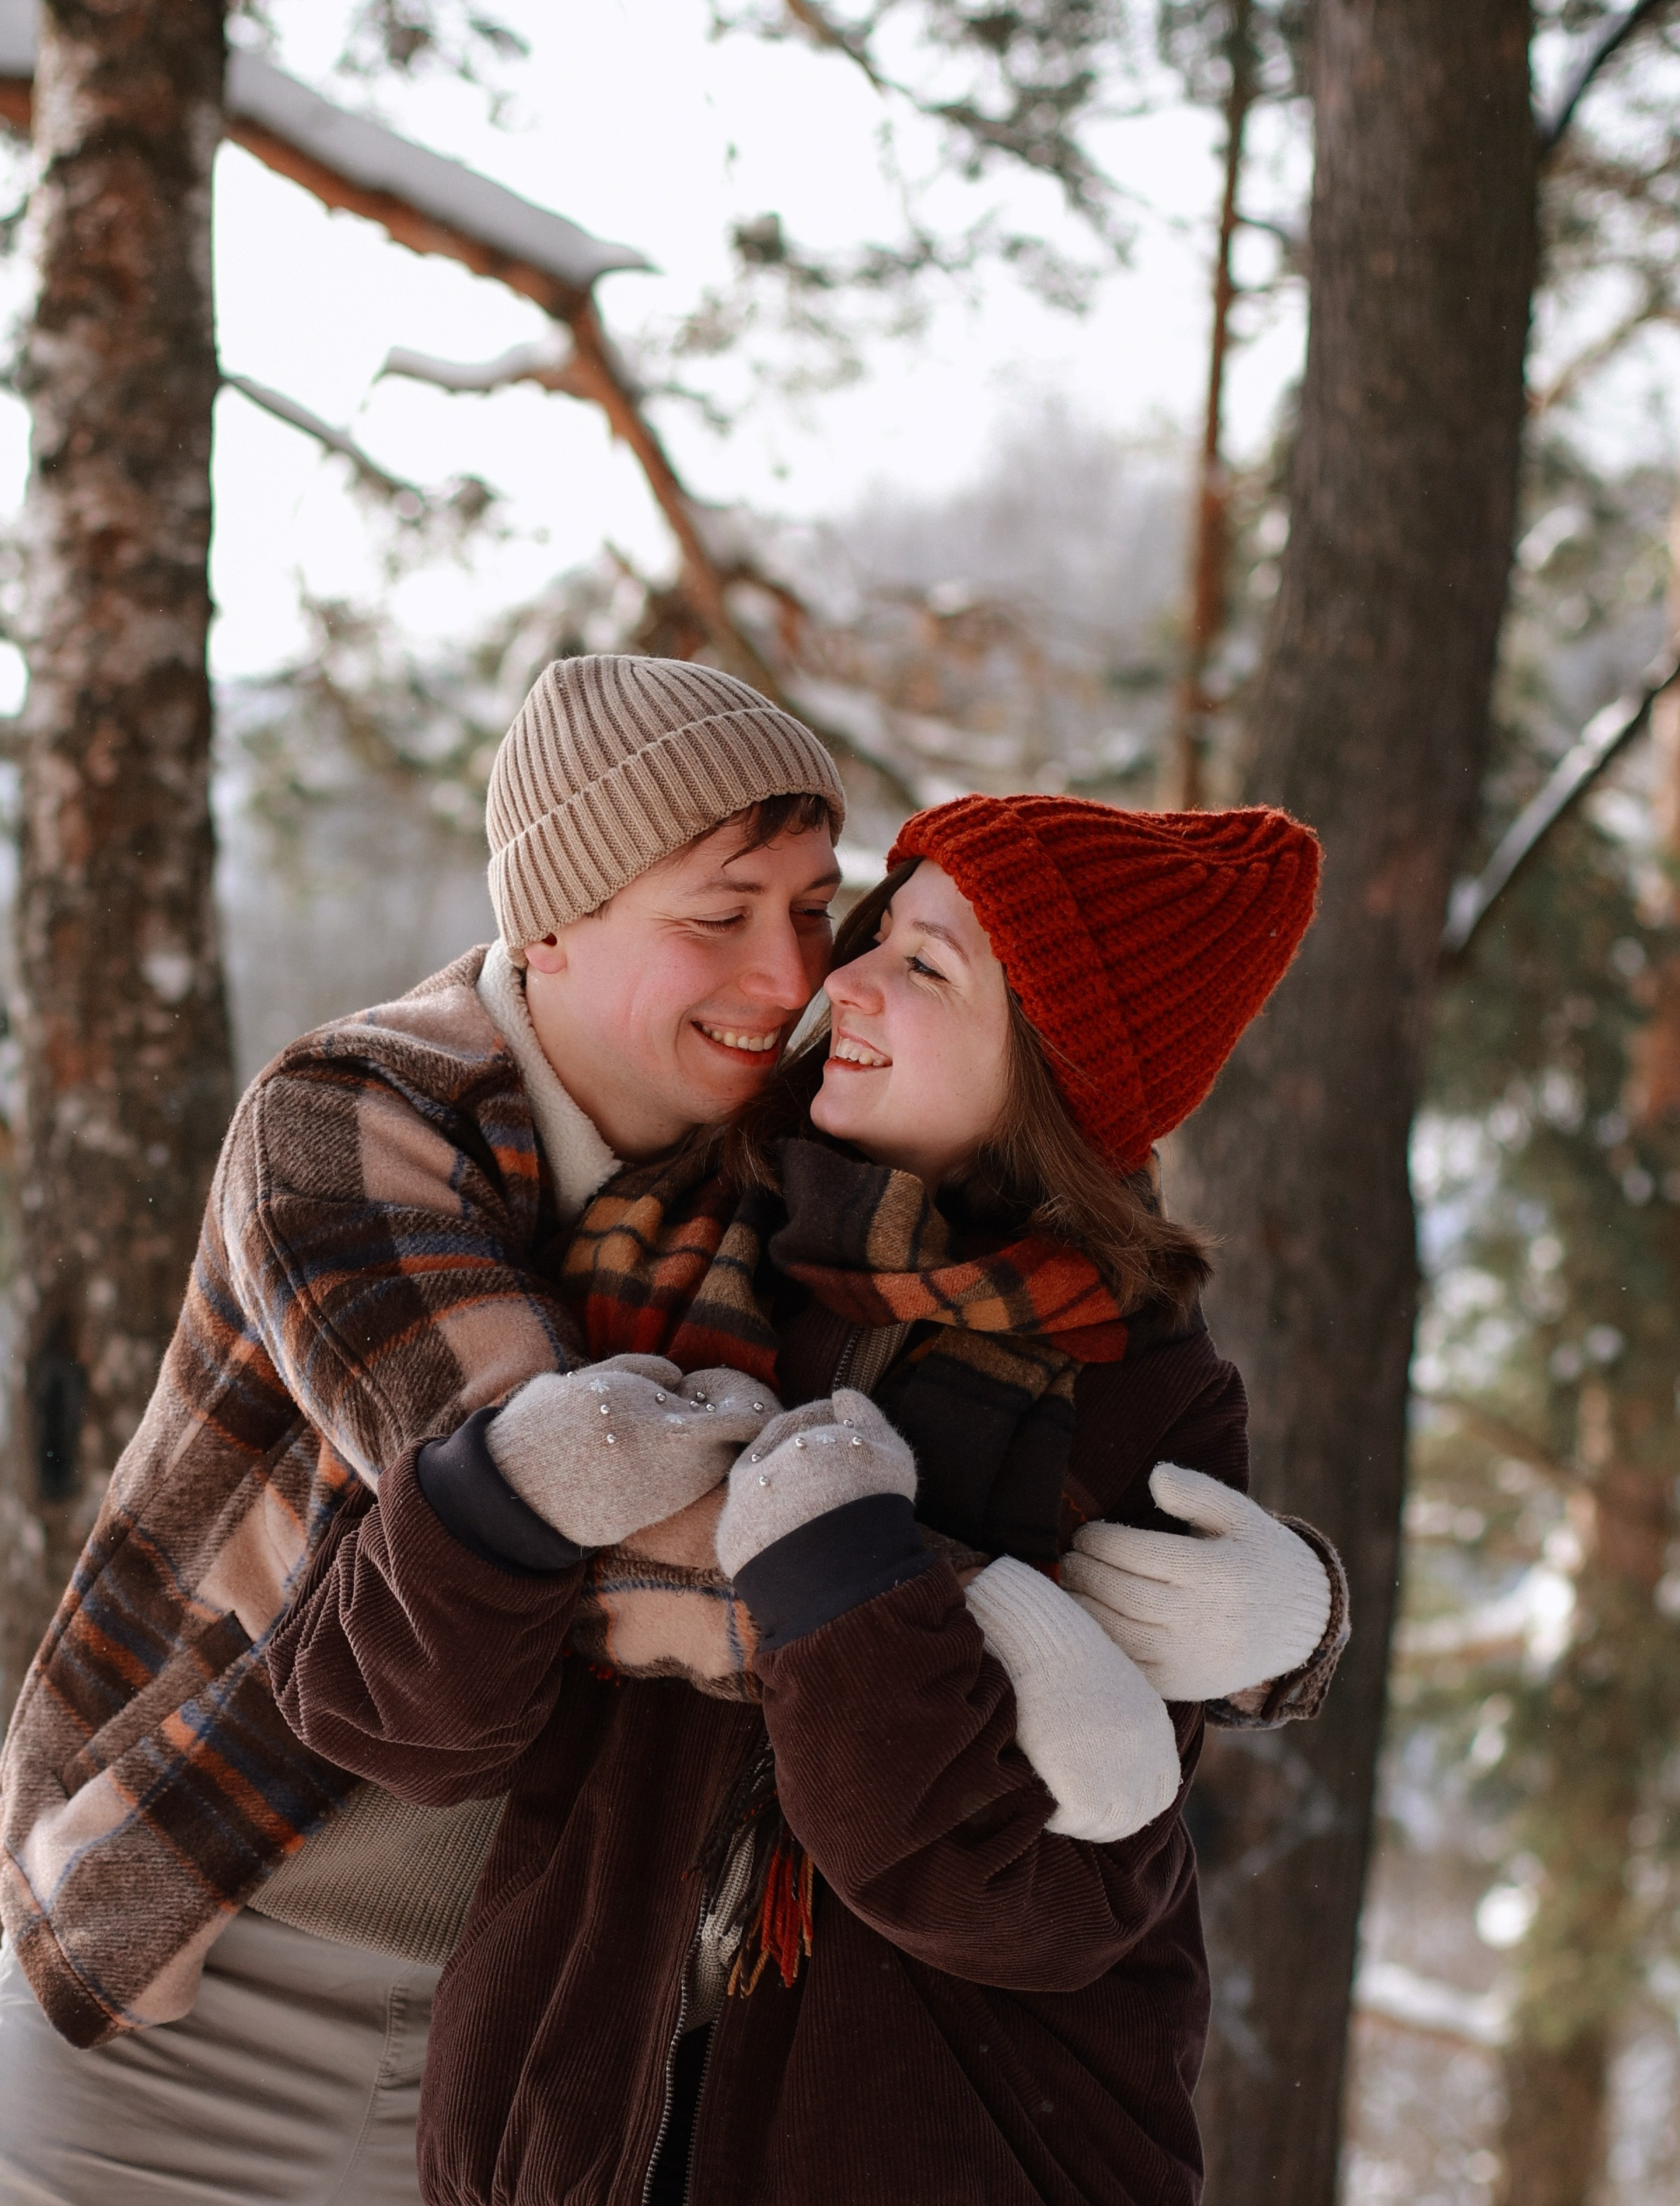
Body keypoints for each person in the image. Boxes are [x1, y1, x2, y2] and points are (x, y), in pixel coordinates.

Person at [268, 791, 1349, 2206]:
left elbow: (1026, 1889)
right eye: (875, 934)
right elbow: (371, 1707)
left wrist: (843, 1577)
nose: (839, 979)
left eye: (925, 964)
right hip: (574, 2139)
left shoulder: (1139, 1388)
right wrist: (500, 1494)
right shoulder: (662, 1238)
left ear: (1057, 1060)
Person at [0, 657, 851, 2206]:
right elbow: (542, 1522)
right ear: (553, 922)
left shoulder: (796, 1185)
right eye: (718, 915)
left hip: (518, 2056)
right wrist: (930, 1591)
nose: (786, 976)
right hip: (196, 1977)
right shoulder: (351, 1115)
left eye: (812, 908)